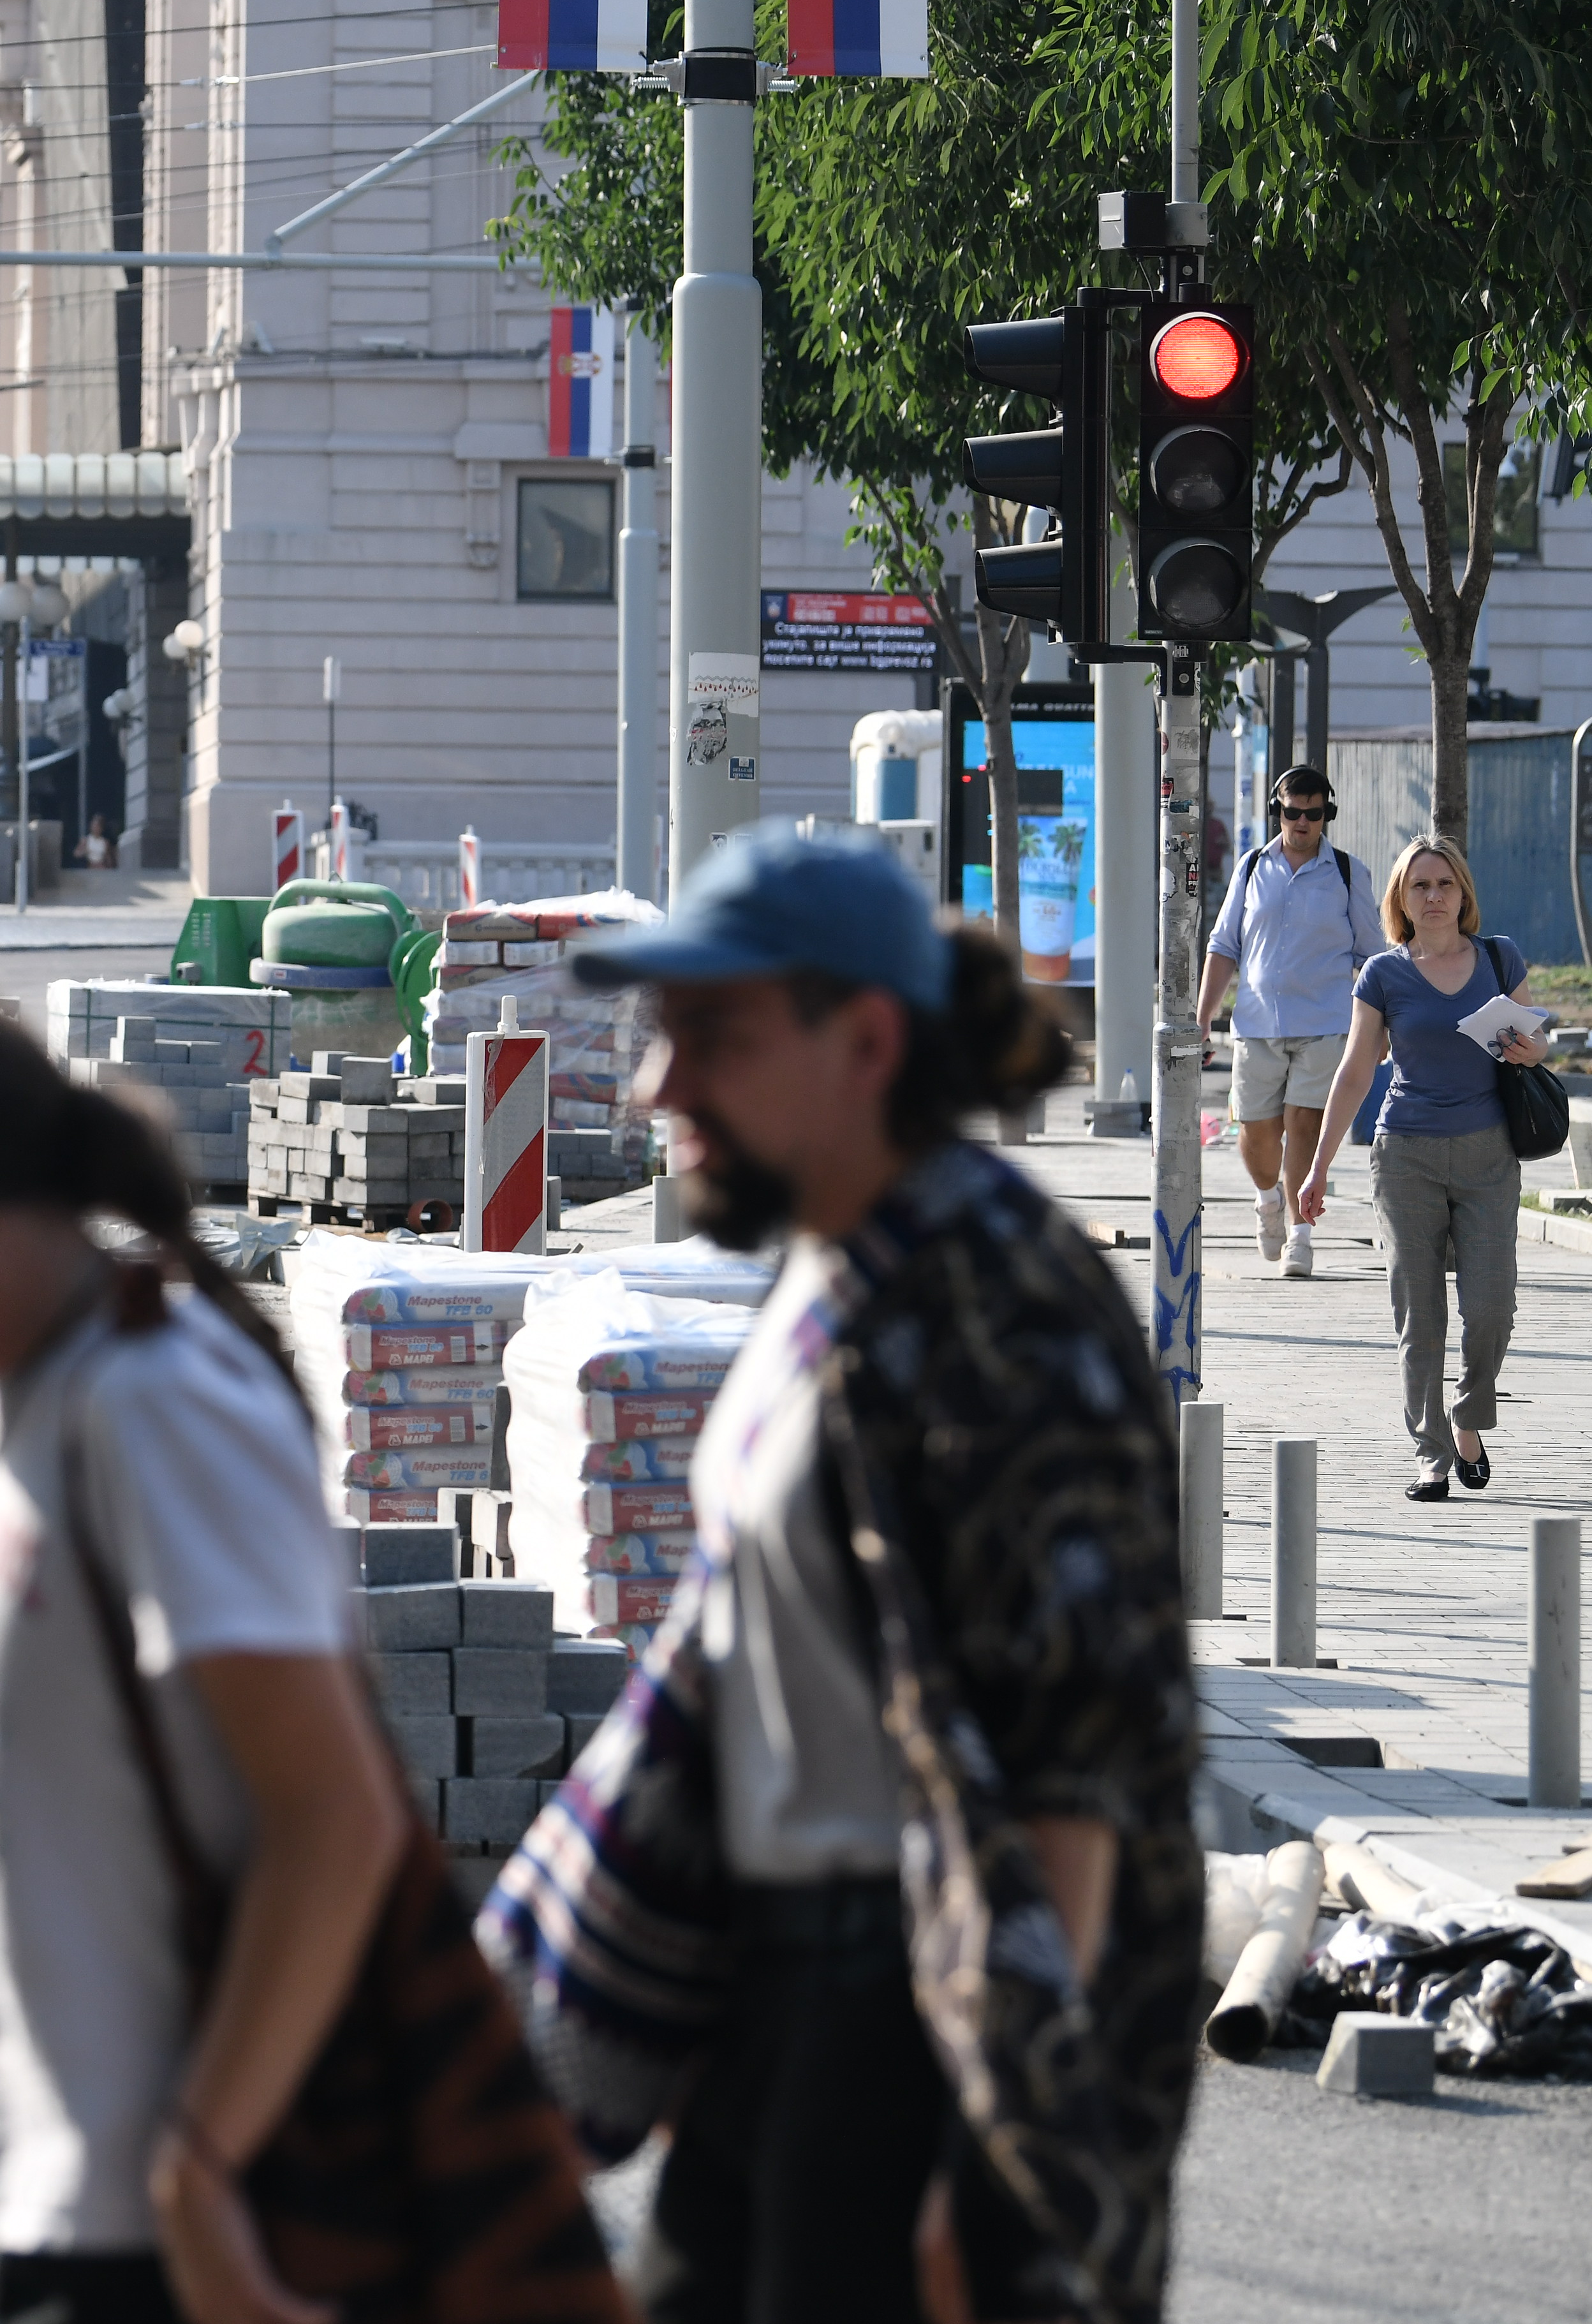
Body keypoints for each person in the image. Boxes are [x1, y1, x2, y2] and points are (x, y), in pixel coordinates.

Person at [0, 974, 494, 2324]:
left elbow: (336, 1818)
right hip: (63, 2208)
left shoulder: (160, 1398)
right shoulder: (44, 1388)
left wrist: (195, 2171)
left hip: (165, 2238)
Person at [492, 833, 1198, 2324]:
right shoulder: (839, 1267)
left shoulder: (995, 1293)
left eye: (710, 1036)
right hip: (780, 2005)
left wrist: (991, 2161)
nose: (653, 1087)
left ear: (863, 1040)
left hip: (912, 2024)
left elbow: (1080, 1762)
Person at [1303, 834, 1546, 1502]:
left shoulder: (1499, 957)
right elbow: (1356, 1071)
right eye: (1420, 886)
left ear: (1463, 892)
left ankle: (1469, 1417)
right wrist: (1318, 1166)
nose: (1434, 897)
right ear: (1400, 900)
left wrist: (1532, 1048)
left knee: (1492, 1308)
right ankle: (1432, 1454)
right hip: (1404, 1155)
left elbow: (1539, 1039)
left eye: (1444, 884)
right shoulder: (1383, 974)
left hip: (1488, 1155)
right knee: (1421, 1316)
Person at [1199, 764, 1384, 1275]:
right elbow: (1223, 946)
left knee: (1306, 1125)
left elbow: (1372, 955)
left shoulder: (1349, 873)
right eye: (1291, 812)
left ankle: (1301, 1236)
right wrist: (1202, 1019)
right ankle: (1268, 1200)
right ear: (1277, 811)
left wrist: (1381, 1027)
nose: (1302, 822)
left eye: (1313, 813)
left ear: (1327, 814)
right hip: (1257, 1023)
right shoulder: (1252, 867)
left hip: (1325, 1021)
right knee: (1259, 1134)